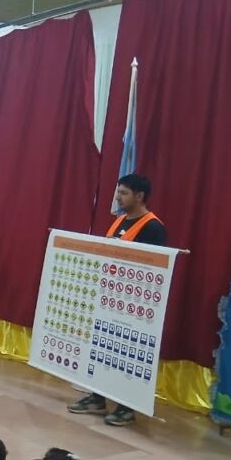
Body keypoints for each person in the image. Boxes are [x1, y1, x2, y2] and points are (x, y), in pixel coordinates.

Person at [69, 173, 166, 426]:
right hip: (108, 301)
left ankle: (126, 407)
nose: (117, 197)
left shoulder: (153, 227)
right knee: (102, 351)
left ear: (139, 196)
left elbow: (153, 272)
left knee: (128, 356)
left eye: (123, 193)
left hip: (134, 307)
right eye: (117, 192)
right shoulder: (119, 222)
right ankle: (98, 397)